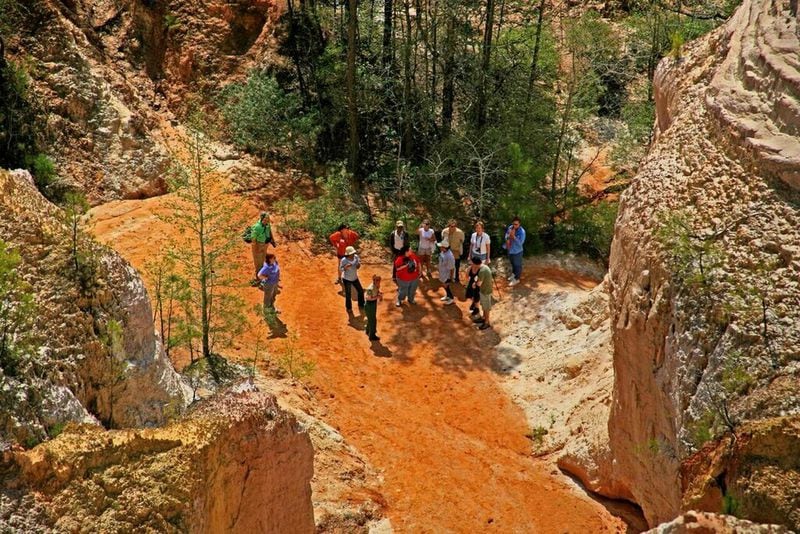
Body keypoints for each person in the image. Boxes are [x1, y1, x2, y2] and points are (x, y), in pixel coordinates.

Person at [251, 212, 277, 279]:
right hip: (258, 245)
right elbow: (253, 239)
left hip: (265, 244)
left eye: (268, 219)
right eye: (265, 219)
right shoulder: (257, 227)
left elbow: (270, 231)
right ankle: (258, 276)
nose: (266, 221)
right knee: (258, 261)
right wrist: (256, 249)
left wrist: (273, 240)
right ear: (261, 218)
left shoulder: (267, 224)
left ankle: (261, 274)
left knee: (262, 259)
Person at [339, 246, 365, 312]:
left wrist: (358, 265)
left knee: (361, 291)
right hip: (347, 279)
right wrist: (345, 267)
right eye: (351, 254)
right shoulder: (344, 260)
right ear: (348, 254)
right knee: (348, 294)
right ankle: (349, 308)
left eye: (353, 253)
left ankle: (361, 304)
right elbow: (341, 269)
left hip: (355, 277)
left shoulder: (356, 257)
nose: (353, 255)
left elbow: (358, 266)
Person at [471, 256, 493, 330]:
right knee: (484, 306)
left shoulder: (482, 271)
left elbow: (479, 284)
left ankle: (487, 322)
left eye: (472, 263)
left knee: (486, 307)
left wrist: (475, 283)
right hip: (485, 290)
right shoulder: (484, 267)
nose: (472, 265)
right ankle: (483, 318)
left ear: (475, 264)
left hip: (485, 291)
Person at [503, 216, 526, 286]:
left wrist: (514, 237)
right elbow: (506, 235)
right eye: (513, 224)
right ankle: (513, 274)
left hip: (517, 251)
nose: (514, 226)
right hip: (510, 250)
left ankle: (517, 279)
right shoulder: (510, 227)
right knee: (512, 263)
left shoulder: (522, 232)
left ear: (519, 224)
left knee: (517, 265)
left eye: (516, 224)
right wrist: (507, 239)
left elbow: (520, 243)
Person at [364, 275, 384, 341]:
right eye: (377, 280)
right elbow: (368, 298)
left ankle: (367, 330)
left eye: (379, 280)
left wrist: (379, 293)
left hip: (373, 304)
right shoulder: (370, 288)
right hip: (369, 305)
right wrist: (377, 297)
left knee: (371, 319)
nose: (379, 282)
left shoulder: (377, 286)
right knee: (373, 321)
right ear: (374, 281)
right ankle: (372, 336)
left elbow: (376, 291)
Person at [437, 241, 455, 305]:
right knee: (444, 285)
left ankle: (451, 298)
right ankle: (447, 296)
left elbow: (452, 268)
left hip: (447, 274)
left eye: (441, 246)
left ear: (444, 247)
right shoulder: (443, 252)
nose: (440, 247)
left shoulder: (450, 256)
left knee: (446, 285)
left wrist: (451, 277)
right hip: (442, 272)